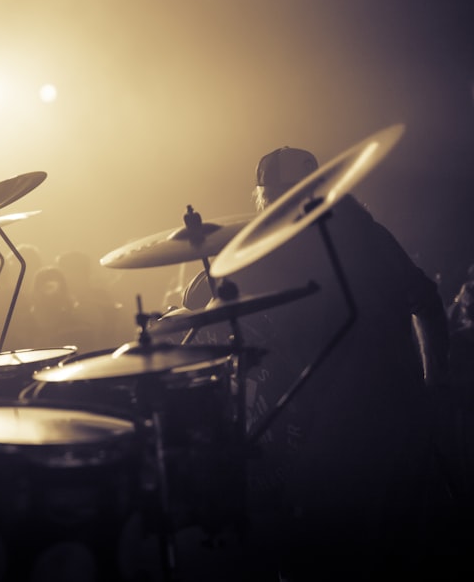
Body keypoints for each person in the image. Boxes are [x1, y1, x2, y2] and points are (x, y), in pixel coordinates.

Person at [183, 146, 456, 579]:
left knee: (323, 557)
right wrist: (434, 386)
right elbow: (427, 304)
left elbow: (194, 300)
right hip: (401, 423)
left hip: (327, 440)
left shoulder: (271, 250)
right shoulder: (370, 233)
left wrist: (219, 251)